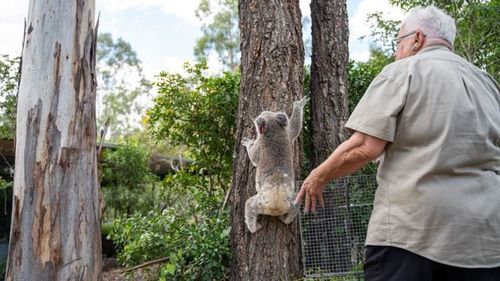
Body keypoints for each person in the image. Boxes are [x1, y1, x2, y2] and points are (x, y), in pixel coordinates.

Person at [294, 5, 500, 281]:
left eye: (398, 41)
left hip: (411, 237)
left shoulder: (403, 72)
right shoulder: (487, 83)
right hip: (483, 242)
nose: (395, 51)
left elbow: (365, 146)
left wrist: (318, 176)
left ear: (417, 39)